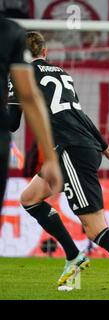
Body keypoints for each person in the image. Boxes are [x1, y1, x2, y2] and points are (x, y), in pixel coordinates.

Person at [8, 31, 109, 299]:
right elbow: (78, 114)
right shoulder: (61, 73)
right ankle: (74, 256)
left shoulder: (21, 74)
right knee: (30, 199)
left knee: (96, 229)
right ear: (45, 53)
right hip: (75, 147)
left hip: (71, 151)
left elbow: (13, 121)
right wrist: (105, 147)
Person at [0, 17, 62, 217]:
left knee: (29, 199)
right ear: (44, 52)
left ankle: (72, 250)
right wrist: (51, 159)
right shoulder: (10, 32)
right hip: (77, 146)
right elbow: (28, 97)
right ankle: (73, 250)